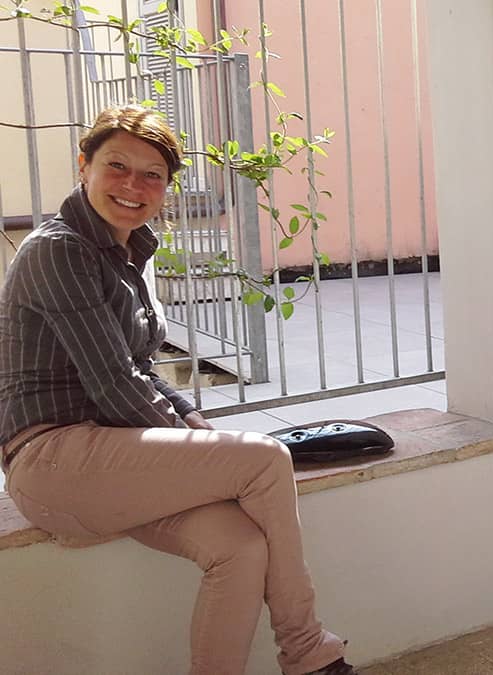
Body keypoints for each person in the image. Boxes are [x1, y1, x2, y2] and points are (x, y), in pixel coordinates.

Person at [0, 105, 356, 675]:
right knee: (265, 458)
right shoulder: (58, 249)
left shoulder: (130, 249)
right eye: (117, 166)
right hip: (52, 462)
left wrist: (191, 423)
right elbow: (114, 381)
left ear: (166, 188)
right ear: (83, 165)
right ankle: (308, 650)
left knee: (241, 547)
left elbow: (138, 366)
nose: (133, 186)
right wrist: (204, 453)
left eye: (152, 175)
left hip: (114, 461)